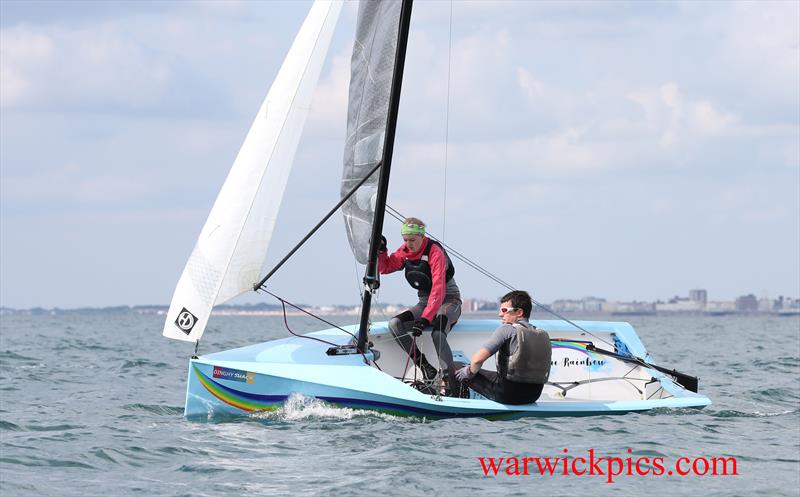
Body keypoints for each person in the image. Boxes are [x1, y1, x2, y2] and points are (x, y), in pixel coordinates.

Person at [378, 217, 462, 394]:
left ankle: (449, 379)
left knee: (437, 333)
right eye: (405, 240)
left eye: (412, 240)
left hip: (449, 301)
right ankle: (425, 367)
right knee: (395, 324)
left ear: (422, 237)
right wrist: (381, 250)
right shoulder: (405, 251)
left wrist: (425, 319)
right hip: (425, 303)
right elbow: (385, 268)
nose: (409, 244)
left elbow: (438, 289)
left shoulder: (434, 252)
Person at [455, 290, 551, 404]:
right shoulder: (542, 334)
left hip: (508, 395)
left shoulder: (507, 329)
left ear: (519, 312)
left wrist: (468, 373)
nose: (500, 314)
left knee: (456, 367)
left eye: (504, 310)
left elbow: (477, 360)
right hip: (533, 396)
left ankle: (459, 404)